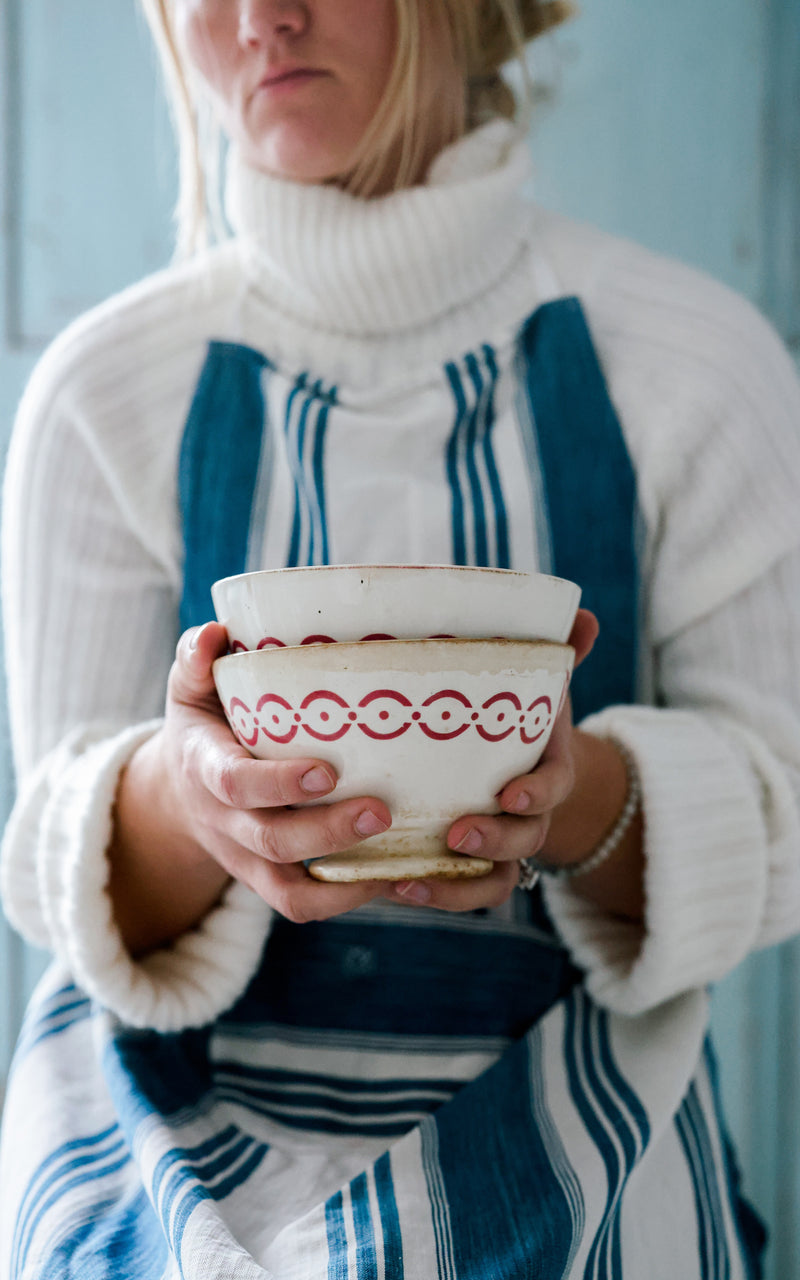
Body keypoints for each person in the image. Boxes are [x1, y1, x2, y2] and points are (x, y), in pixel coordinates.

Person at [1, 0, 799, 1275]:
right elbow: (59, 862)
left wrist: (572, 793)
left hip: (575, 1114)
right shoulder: (103, 391)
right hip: (157, 1136)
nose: (265, 16)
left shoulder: (698, 367)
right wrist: (195, 800)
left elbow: (778, 823)